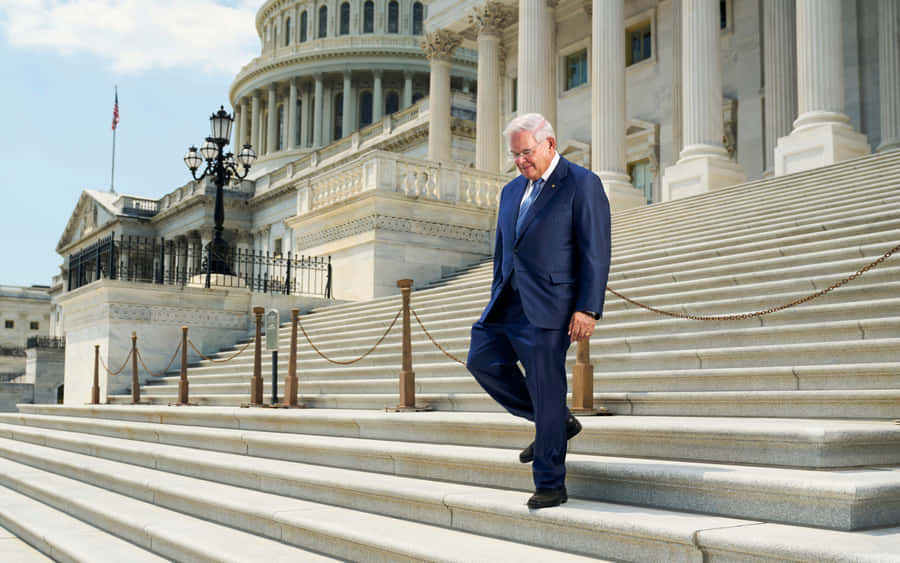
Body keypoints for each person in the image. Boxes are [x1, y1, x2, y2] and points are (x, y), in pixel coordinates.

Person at [466, 113, 611, 509]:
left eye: (526, 152)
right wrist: (496, 291)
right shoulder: (511, 191)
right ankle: (556, 421)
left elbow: (595, 251)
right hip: (508, 302)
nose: (520, 161)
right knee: (481, 360)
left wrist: (588, 308)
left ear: (550, 144)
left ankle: (550, 484)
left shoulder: (581, 183)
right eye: (515, 155)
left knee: (547, 389)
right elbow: (503, 250)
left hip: (552, 307)